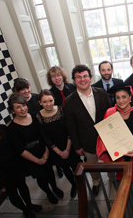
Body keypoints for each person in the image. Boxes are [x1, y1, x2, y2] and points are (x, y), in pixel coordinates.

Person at [7, 93, 63, 204]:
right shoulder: (12, 128)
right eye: (18, 107)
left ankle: (55, 188)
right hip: (30, 156)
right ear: (12, 111)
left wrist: (46, 153)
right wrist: (37, 160)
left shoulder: (34, 115)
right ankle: (48, 193)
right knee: (41, 177)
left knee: (50, 172)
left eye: (24, 105)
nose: (23, 109)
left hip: (44, 149)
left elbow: (44, 135)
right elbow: (20, 150)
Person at [65, 65, 112, 196]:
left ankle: (113, 178)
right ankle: (96, 182)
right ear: (74, 80)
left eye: (85, 76)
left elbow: (110, 115)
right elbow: (71, 126)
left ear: (90, 78)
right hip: (86, 142)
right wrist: (77, 146)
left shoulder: (102, 93)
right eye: (78, 77)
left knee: (110, 162)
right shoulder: (69, 101)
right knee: (92, 165)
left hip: (106, 138)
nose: (82, 79)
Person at [36, 89, 81, 198]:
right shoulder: (39, 117)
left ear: (54, 99)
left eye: (50, 101)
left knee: (76, 166)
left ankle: (81, 184)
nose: (48, 104)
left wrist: (67, 149)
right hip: (55, 149)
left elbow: (70, 130)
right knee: (65, 169)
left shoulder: (62, 110)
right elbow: (45, 137)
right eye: (45, 102)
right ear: (39, 103)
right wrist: (59, 152)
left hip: (69, 144)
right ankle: (73, 185)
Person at [47, 66, 76, 177]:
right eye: (53, 76)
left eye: (58, 75)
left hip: (74, 119)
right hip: (61, 125)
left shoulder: (73, 87)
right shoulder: (50, 93)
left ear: (63, 76)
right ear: (50, 79)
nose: (57, 78)